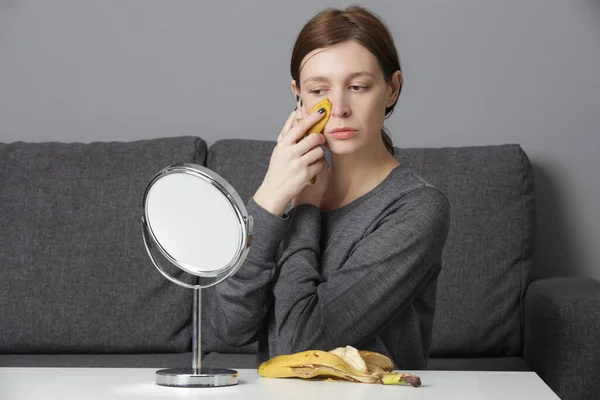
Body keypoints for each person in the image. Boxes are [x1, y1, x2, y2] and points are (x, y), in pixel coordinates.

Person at [210, 5, 450, 369]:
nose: (338, 107)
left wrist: (306, 210)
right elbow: (228, 329)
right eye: (319, 89)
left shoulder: (417, 208)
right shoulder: (283, 189)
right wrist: (269, 197)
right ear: (298, 95)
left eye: (358, 86)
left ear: (392, 88)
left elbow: (301, 346)